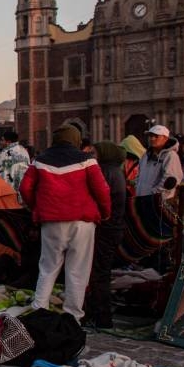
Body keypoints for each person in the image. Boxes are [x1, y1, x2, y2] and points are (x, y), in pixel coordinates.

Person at [20, 122, 111, 322]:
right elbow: (102, 190)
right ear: (76, 140)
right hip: (82, 222)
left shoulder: (40, 161)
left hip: (51, 221)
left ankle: (39, 309)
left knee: (48, 267)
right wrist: (105, 213)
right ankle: (73, 317)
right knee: (77, 270)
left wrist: (36, 207)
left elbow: (25, 188)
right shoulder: (87, 161)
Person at [84, 141, 127, 329]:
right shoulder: (115, 171)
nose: (92, 155)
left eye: (95, 152)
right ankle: (98, 313)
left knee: (99, 273)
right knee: (100, 272)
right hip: (111, 228)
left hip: (106, 229)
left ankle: (102, 317)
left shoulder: (106, 172)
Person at [136, 124, 183, 199]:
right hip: (142, 199)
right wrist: (138, 189)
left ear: (165, 138)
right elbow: (139, 174)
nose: (152, 138)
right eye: (150, 136)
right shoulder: (145, 155)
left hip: (159, 202)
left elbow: (170, 180)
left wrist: (154, 193)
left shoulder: (170, 156)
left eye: (156, 136)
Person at [0, 129, 30, 194]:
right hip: (22, 189)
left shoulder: (5, 153)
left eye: (2, 140)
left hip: (8, 190)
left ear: (8, 142)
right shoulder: (24, 151)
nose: (0, 142)